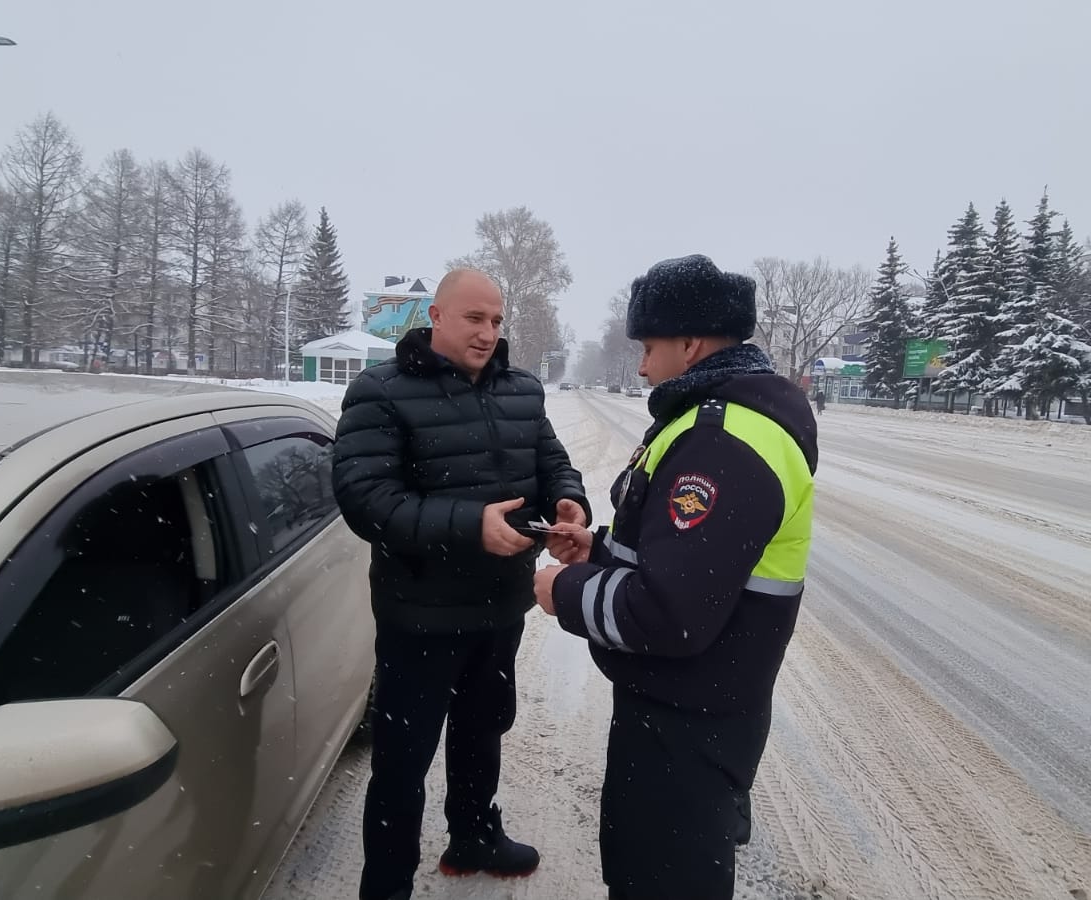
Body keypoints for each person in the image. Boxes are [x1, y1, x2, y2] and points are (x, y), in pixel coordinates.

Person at [535, 253, 818, 900]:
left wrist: (564, 591)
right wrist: (598, 551)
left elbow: (671, 611)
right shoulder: (715, 421)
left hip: (688, 727)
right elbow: (676, 558)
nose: (639, 365)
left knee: (659, 880)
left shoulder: (724, 440)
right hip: (692, 709)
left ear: (690, 345)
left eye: (648, 345)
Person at [331, 268, 591, 900]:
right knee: (401, 762)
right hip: (419, 613)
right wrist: (469, 526)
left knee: (483, 729)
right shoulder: (381, 391)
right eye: (474, 318)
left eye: (497, 320)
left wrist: (566, 500)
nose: (487, 332)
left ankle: (473, 836)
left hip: (500, 606)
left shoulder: (522, 390)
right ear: (438, 317)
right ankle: (386, 886)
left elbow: (551, 460)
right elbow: (366, 499)